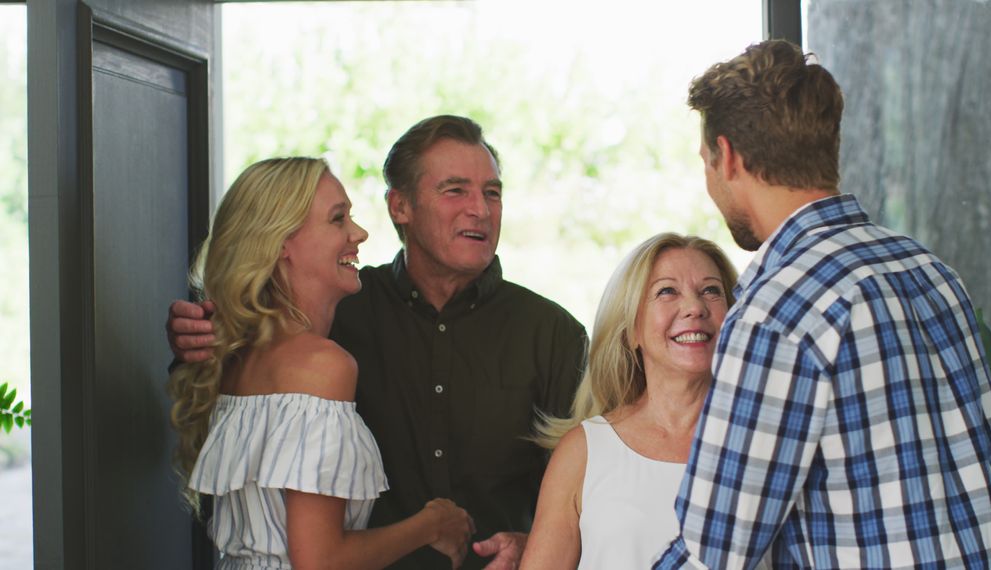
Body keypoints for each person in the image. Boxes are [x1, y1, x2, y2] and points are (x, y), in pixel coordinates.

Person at [167, 116, 588, 570]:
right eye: (455, 190)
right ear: (399, 206)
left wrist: (539, 545)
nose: (481, 210)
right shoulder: (332, 315)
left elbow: (597, 493)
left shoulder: (555, 335)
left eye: (492, 192)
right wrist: (194, 339)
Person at [653, 40, 991, 569]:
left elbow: (717, 551)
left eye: (706, 161)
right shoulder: (928, 270)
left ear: (726, 157)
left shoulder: (777, 313)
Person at [167, 157, 475, 569]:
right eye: (337, 219)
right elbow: (321, 562)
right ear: (280, 244)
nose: (359, 233)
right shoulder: (322, 366)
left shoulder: (238, 358)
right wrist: (432, 524)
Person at [518, 233, 739, 569]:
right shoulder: (584, 451)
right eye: (667, 291)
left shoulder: (766, 443)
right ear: (632, 329)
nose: (695, 307)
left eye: (711, 290)